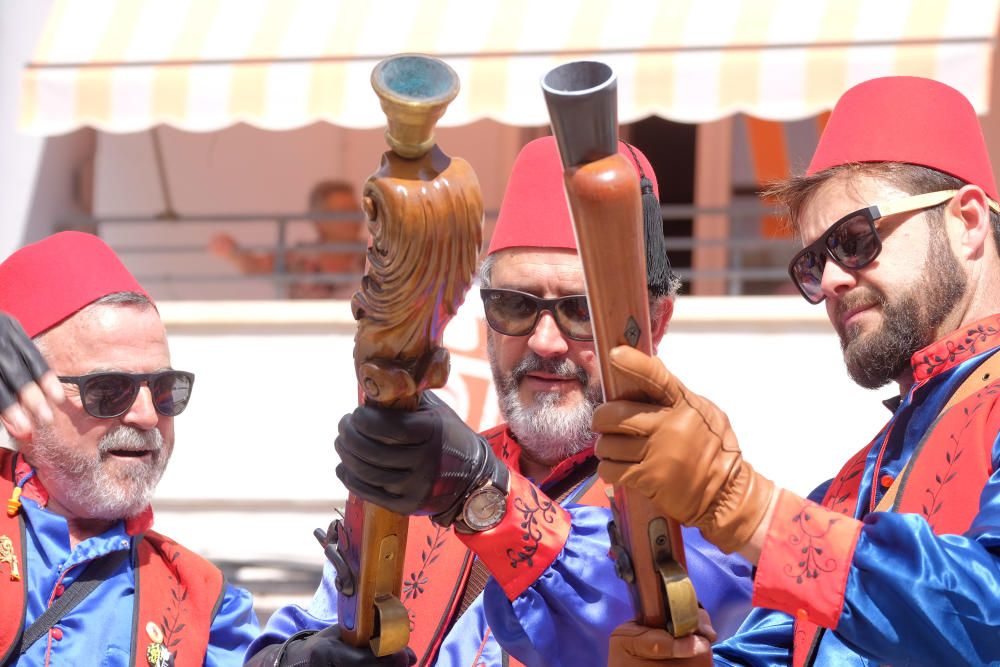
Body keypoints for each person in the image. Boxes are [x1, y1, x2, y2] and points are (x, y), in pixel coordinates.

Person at [244, 137, 753, 667]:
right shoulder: (423, 472)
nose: (544, 341)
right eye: (514, 305)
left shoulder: (703, 495)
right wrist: (303, 659)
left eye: (581, 310)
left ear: (657, 322)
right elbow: (286, 638)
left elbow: (651, 620)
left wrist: (480, 495)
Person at [592, 76, 1000, 666]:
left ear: (966, 221)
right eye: (813, 263)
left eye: (856, 239)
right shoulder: (852, 481)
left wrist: (746, 505)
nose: (832, 281)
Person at [0, 232, 258, 666]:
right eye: (107, 389)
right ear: (21, 390)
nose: (146, 416)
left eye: (164, 389)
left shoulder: (205, 602)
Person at [209, 180, 366, 299]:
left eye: (355, 210)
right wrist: (231, 251)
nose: (353, 217)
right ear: (318, 220)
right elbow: (255, 266)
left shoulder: (375, 256)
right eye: (342, 212)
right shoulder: (299, 258)